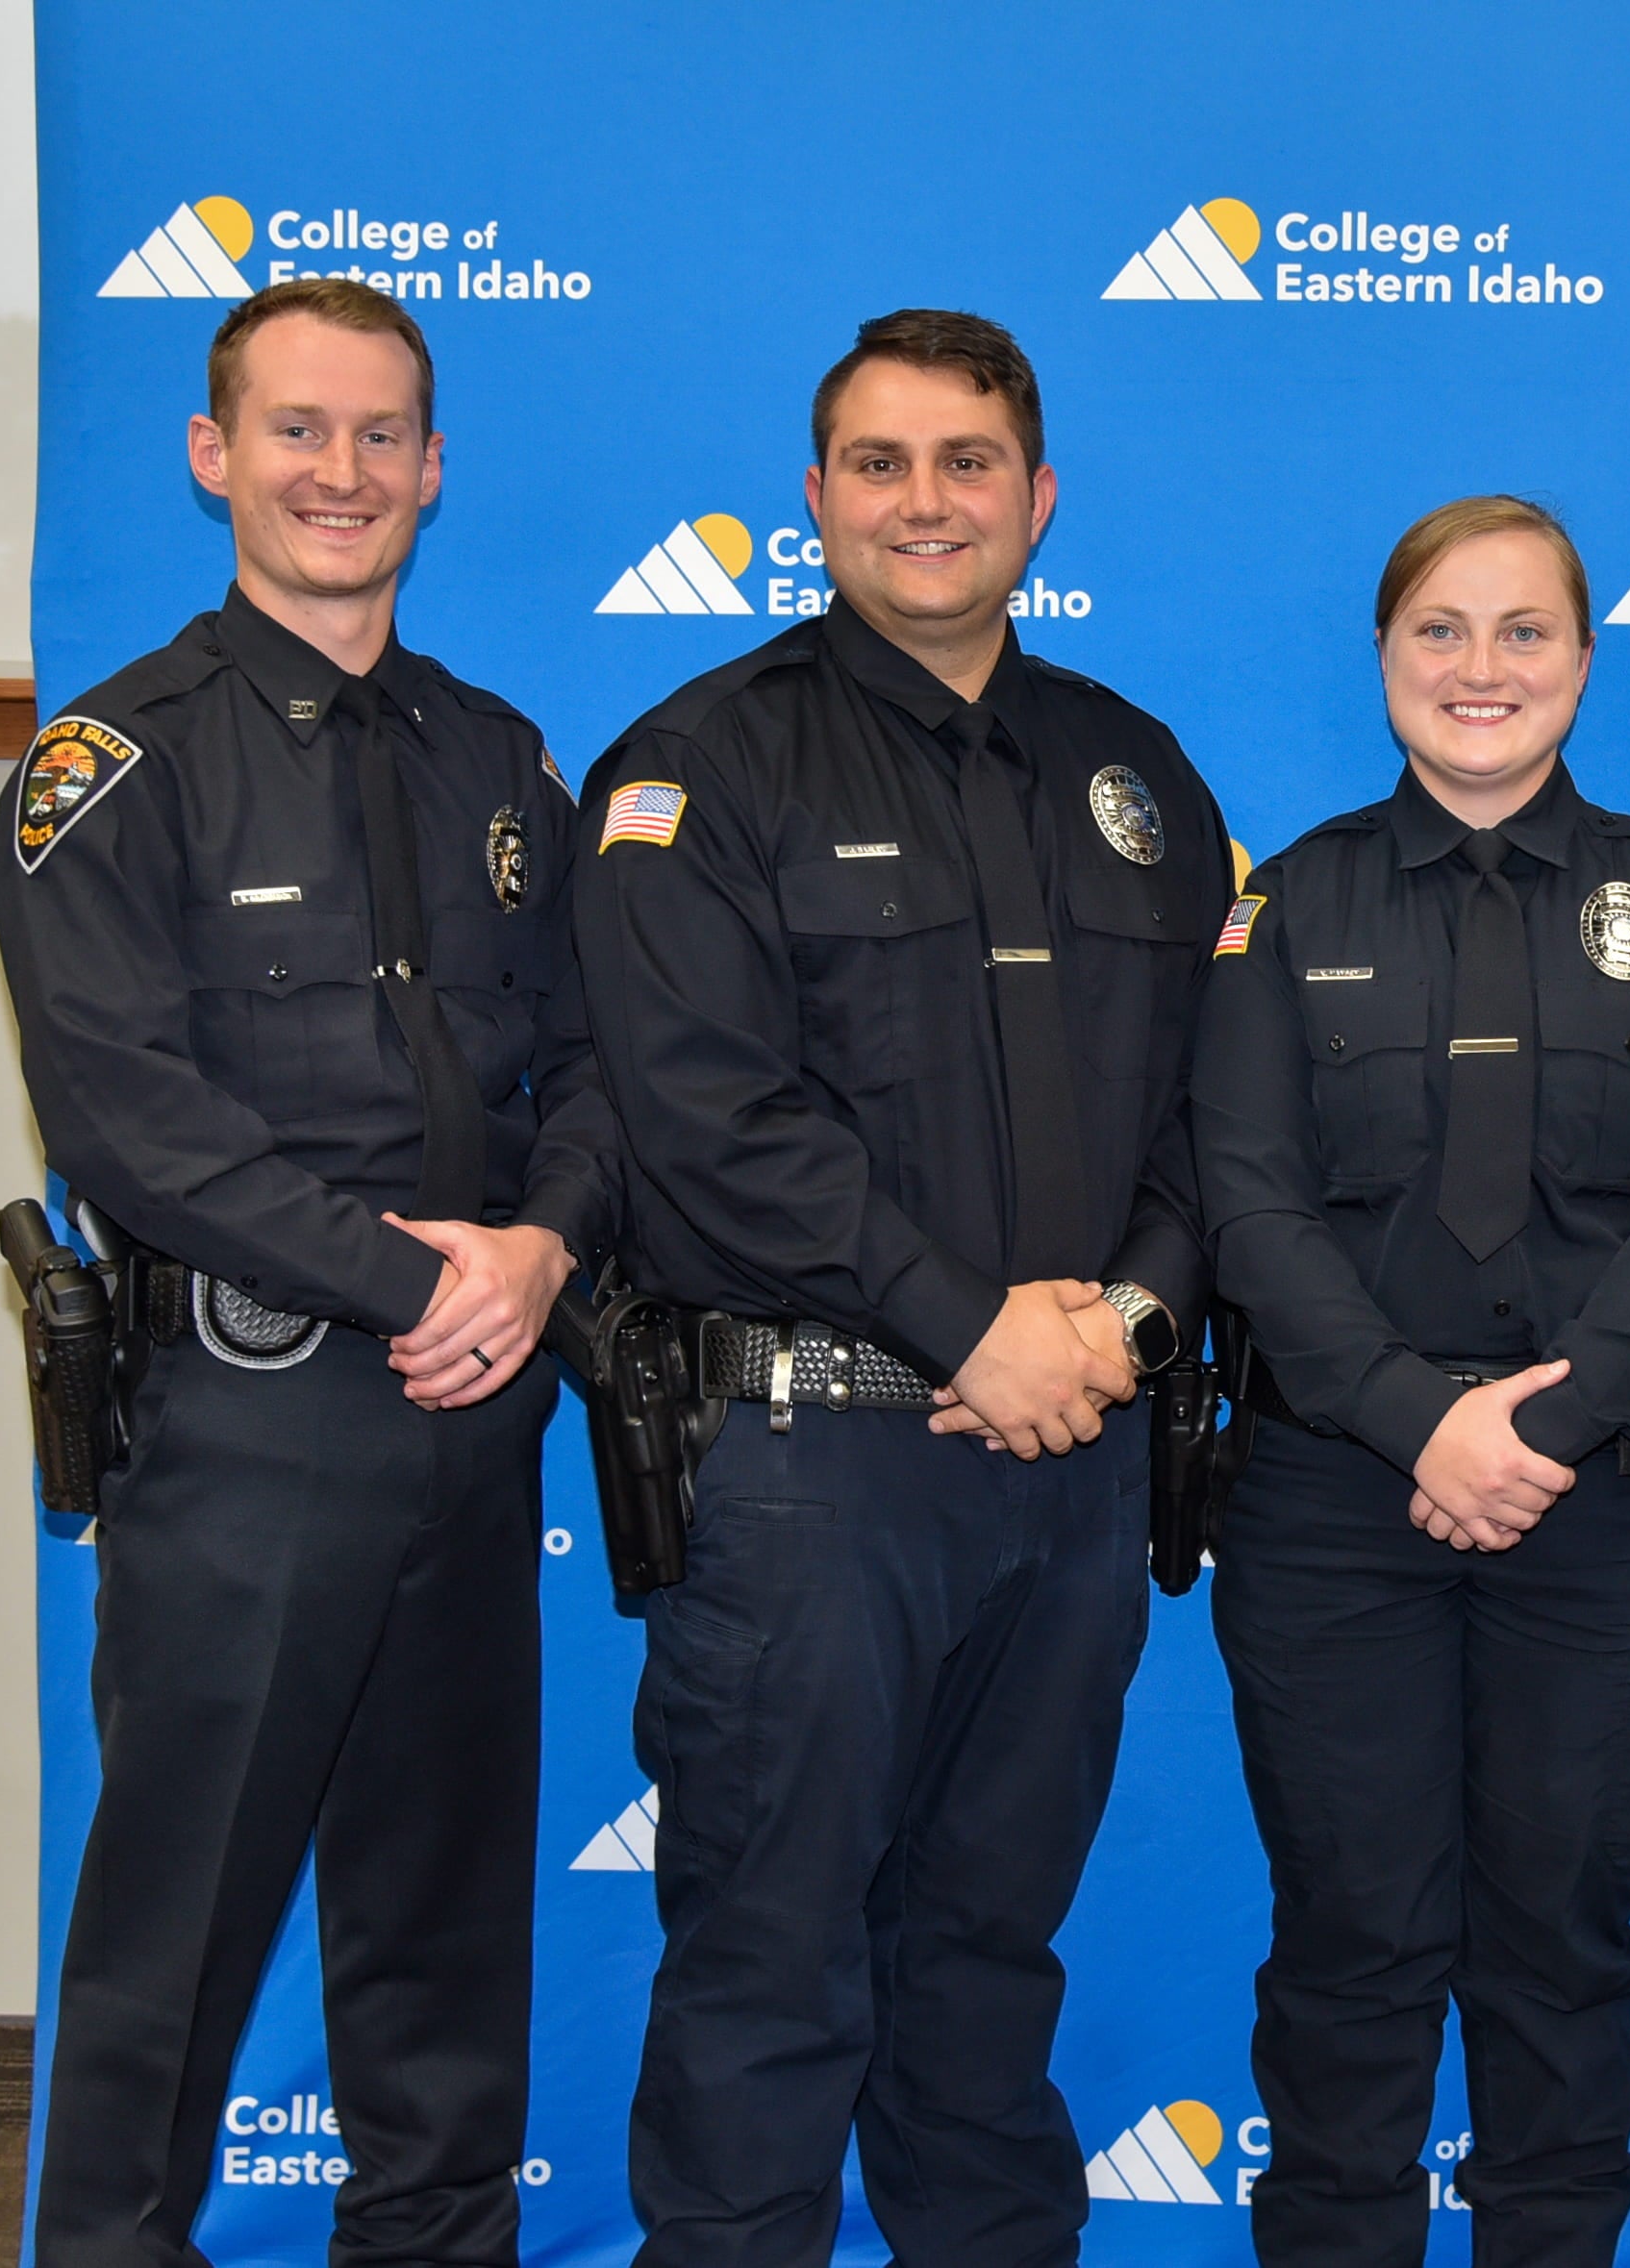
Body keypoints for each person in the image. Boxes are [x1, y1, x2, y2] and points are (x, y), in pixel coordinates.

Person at [566, 308, 1229, 2267]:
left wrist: (1125, 1318)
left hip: (1074, 1469)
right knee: (770, 1979)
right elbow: (709, 1120)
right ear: (814, 498)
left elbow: (1220, 1119)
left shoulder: (1139, 774)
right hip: (807, 1479)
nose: (922, 502)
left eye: (965, 464)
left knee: (983, 1971)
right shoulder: (699, 767)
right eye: (878, 463)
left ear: (1037, 500)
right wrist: (974, 1324)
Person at [0, 276, 615, 2268]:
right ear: (213, 454)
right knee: (172, 1945)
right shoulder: (113, 767)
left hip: (476, 1420)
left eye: (378, 437)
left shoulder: (502, 763)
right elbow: (128, 1122)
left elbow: (599, 1069)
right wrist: (413, 1282)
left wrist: (539, 1248)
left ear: (431, 469)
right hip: (253, 1427)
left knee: (444, 1942)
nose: (338, 473)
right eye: (296, 430)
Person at [1192, 494, 1630, 2267]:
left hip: (1598, 1503)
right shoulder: (1286, 905)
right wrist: (1413, 1418)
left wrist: (1536, 1422)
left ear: (1587, 663)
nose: (1482, 669)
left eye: (1526, 631)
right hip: (1331, 1503)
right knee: (1352, 1943)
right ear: (1384, 660)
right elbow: (1243, 1196)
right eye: (1441, 630)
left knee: (1560, 1944)